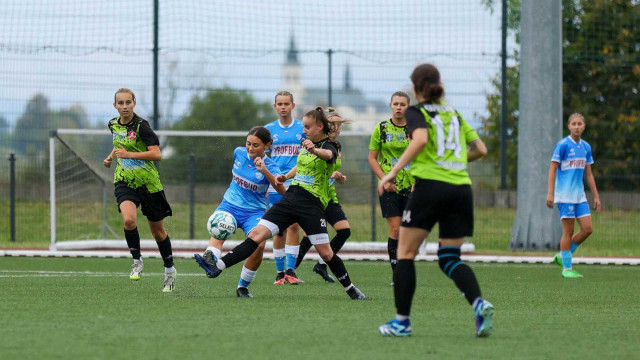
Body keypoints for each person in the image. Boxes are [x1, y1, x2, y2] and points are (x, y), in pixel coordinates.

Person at [194, 107, 366, 300]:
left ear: (320, 126)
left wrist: (314, 149)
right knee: (257, 236)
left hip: (312, 205)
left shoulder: (330, 146)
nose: (304, 130)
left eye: (308, 126)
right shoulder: (305, 143)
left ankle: (351, 289)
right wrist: (286, 176)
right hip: (291, 198)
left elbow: (328, 156)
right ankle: (217, 267)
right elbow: (300, 165)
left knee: (326, 254)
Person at [377, 64, 493, 337]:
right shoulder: (453, 114)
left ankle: (401, 322)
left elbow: (420, 139)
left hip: (429, 188)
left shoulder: (416, 112)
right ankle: (479, 303)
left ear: (416, 89)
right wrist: (453, 163)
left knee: (405, 254)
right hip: (461, 189)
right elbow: (481, 149)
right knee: (450, 257)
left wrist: (391, 173)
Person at [194, 127, 286, 298]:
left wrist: (264, 171)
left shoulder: (272, 167)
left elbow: (282, 191)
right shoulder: (239, 152)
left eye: (256, 145)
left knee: (258, 245)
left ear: (267, 146)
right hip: (229, 204)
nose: (250, 148)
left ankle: (242, 287)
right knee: (219, 230)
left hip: (254, 212)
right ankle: (210, 261)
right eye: (248, 143)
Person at [103, 88, 176, 293]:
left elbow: (157, 154)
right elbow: (120, 144)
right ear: (115, 105)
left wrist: (128, 154)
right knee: (129, 220)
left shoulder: (142, 126)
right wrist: (111, 157)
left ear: (134, 103)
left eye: (128, 102)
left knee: (158, 232)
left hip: (149, 184)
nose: (124, 107)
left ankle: (169, 271)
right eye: (121, 103)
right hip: (125, 181)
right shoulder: (112, 124)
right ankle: (137, 261)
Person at [295, 108, 351, 283]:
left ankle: (321, 264)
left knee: (344, 231)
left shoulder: (336, 147)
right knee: (310, 234)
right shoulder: (315, 143)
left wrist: (339, 177)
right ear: (325, 126)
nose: (336, 128)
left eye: (339, 125)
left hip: (329, 196)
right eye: (333, 124)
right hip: (315, 195)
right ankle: (290, 269)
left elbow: (332, 171)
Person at [546, 113, 601, 278]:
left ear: (584, 127)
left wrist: (596, 196)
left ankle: (562, 255)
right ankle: (567, 269)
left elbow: (589, 174)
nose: (576, 126)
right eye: (573, 124)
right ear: (569, 126)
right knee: (568, 232)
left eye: (579, 124)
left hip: (579, 196)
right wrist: (550, 193)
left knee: (587, 229)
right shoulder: (562, 145)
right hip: (564, 196)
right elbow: (552, 169)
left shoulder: (586, 147)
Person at [368, 91, 414, 284]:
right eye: (395, 103)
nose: (398, 107)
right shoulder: (382, 128)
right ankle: (398, 274)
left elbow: (422, 158)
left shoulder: (415, 130)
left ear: (408, 107)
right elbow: (372, 158)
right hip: (389, 188)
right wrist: (385, 179)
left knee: (408, 231)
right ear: (390, 105)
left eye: (402, 104)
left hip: (411, 187)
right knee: (395, 229)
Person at [264, 91, 305, 285]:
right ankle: (279, 272)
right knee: (278, 229)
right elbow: (261, 157)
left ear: (293, 106)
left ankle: (291, 270)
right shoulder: (268, 130)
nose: (283, 107)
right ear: (275, 107)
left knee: (294, 225)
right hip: (276, 183)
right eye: (279, 103)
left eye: (286, 103)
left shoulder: (301, 128)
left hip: (296, 182)